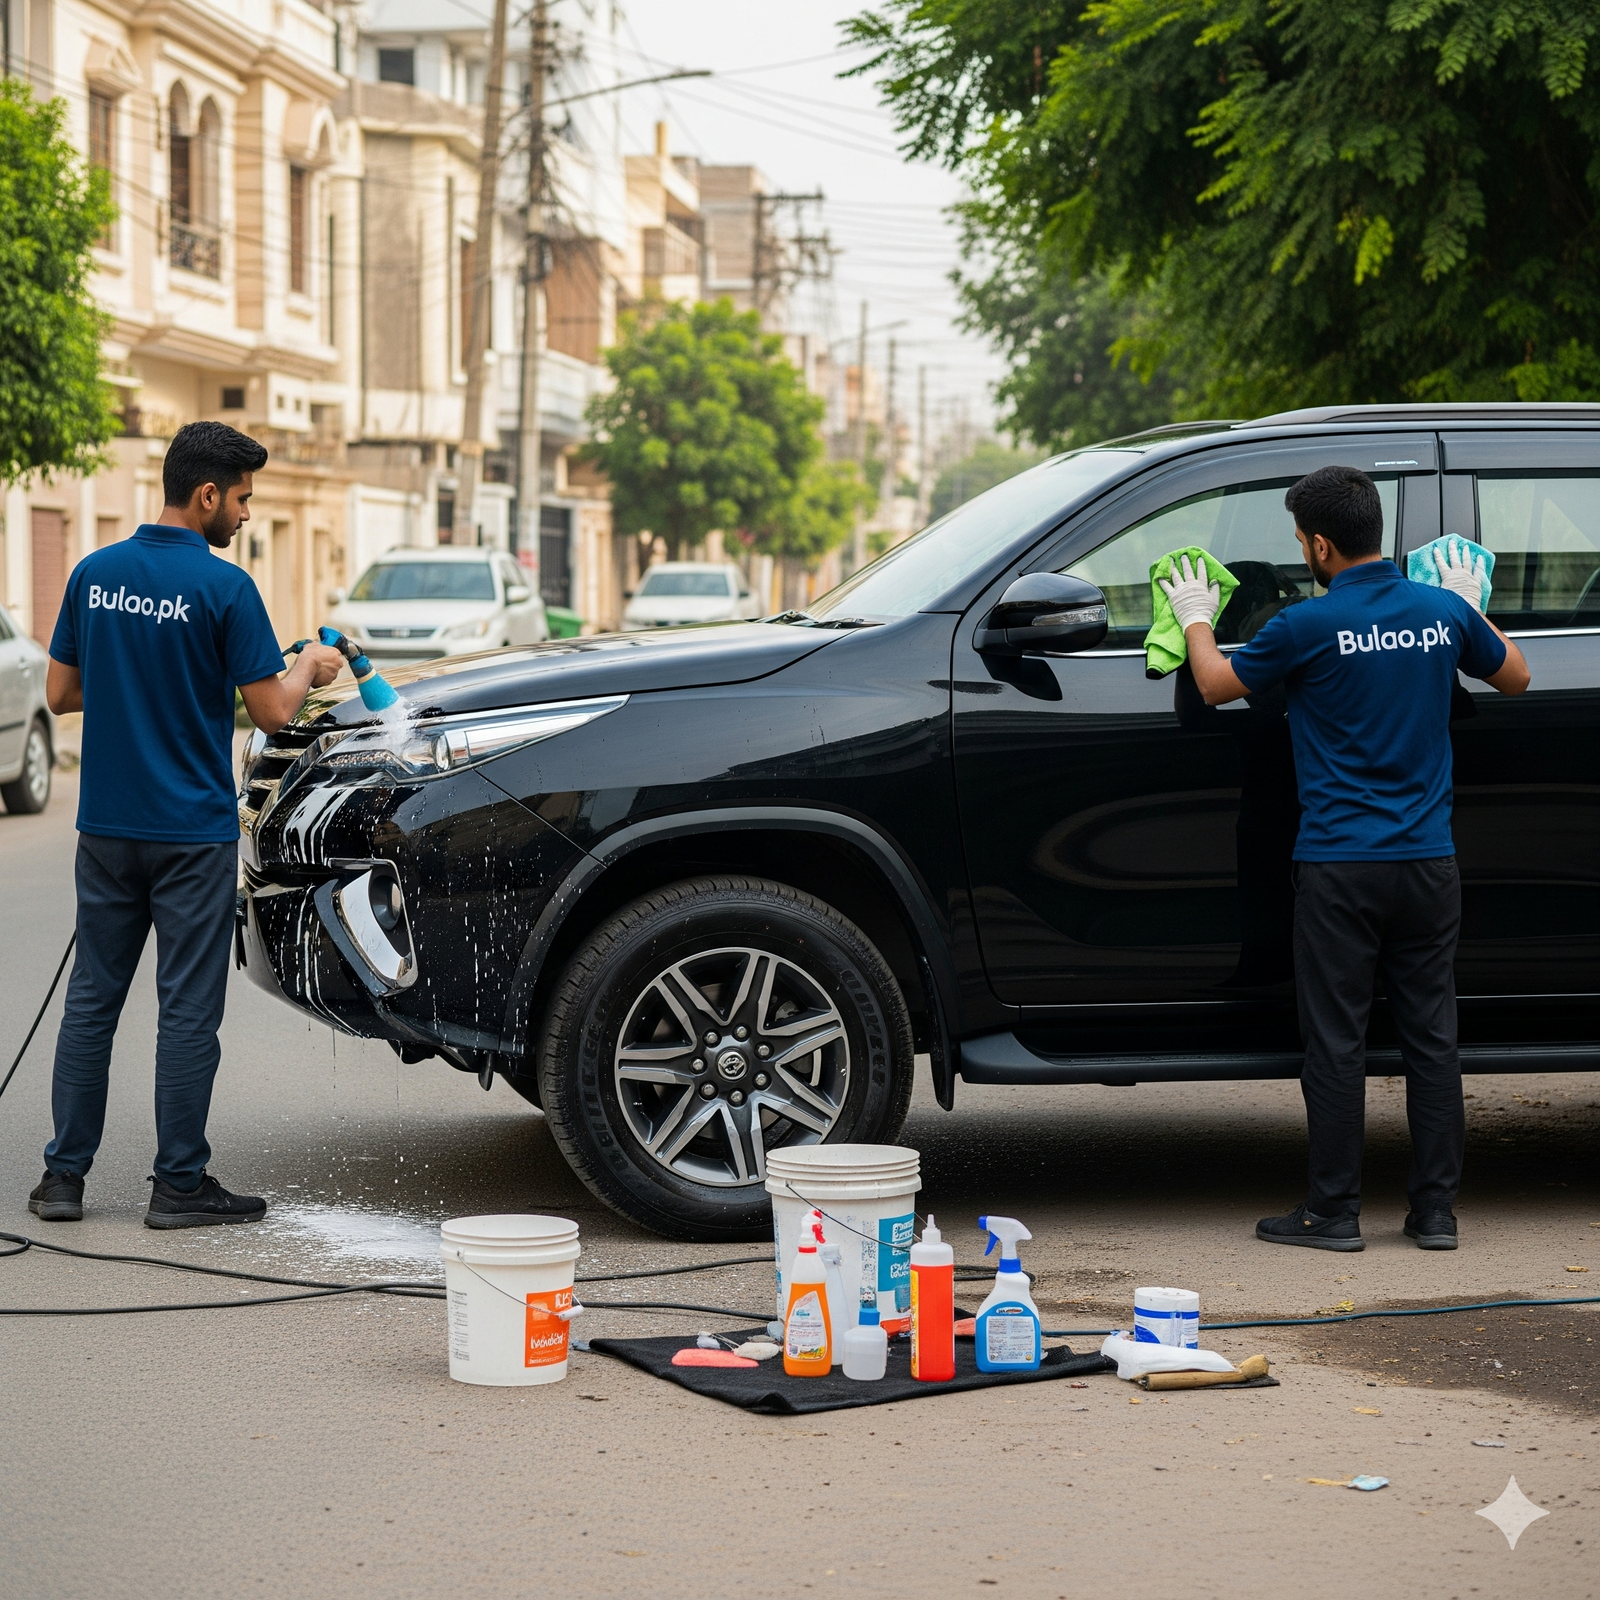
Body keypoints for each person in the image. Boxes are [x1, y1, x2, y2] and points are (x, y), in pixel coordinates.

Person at [1164, 465, 1530, 1252]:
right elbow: (1518, 676)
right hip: (1429, 864)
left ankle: (1332, 1214)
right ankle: (1435, 1216)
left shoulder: (1303, 625)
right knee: (1433, 1040)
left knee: (1337, 1043)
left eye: (1300, 539)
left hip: (1339, 867)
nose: (1301, 550)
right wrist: (1469, 609)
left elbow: (1218, 685)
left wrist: (1195, 617)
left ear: (1322, 544)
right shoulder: (1440, 613)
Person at [29, 422, 345, 1228]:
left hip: (105, 829)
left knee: (92, 1001)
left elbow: (62, 695)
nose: (243, 515)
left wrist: (139, 684)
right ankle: (178, 1186)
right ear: (206, 494)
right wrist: (308, 664)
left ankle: (62, 1180)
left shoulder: (94, 574)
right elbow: (274, 712)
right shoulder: (224, 588)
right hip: (190, 836)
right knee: (187, 1011)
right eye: (240, 499)